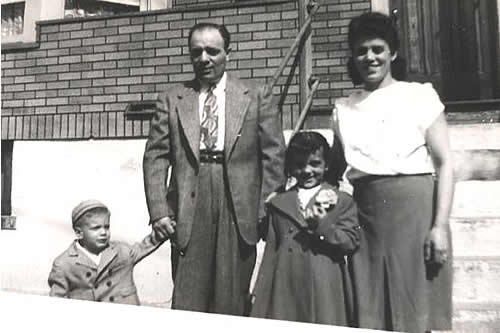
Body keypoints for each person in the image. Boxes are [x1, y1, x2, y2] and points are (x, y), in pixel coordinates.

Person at [142, 22, 286, 315]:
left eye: (212, 51)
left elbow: (273, 155)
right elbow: (155, 157)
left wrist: (265, 208)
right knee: (188, 297)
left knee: (231, 298)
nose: (204, 58)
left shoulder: (256, 96)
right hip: (189, 201)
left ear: (228, 54)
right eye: (196, 52)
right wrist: (158, 212)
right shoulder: (173, 99)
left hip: (238, 203)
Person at [332, 12, 455, 333]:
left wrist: (439, 226)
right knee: (370, 311)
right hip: (366, 219)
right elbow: (333, 171)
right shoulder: (344, 109)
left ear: (393, 53)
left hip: (415, 217)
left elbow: (445, 163)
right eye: (361, 51)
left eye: (377, 49)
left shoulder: (419, 96)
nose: (369, 57)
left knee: (415, 312)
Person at [250, 131, 360, 326]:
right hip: (287, 285)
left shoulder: (342, 201)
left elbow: (350, 242)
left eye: (315, 164)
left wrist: (322, 226)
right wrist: (260, 297)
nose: (307, 170)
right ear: (290, 167)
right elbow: (270, 256)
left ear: (326, 164)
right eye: (299, 165)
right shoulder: (278, 204)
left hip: (325, 284)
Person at [48, 199, 166, 305]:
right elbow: (57, 304)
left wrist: (164, 231)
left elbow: (147, 245)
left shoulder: (121, 252)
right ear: (79, 233)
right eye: (96, 228)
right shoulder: (63, 264)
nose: (103, 232)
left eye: (106, 227)